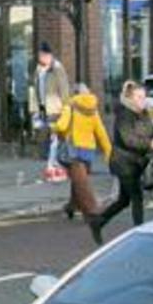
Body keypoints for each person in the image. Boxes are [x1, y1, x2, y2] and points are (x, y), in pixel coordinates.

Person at [96, 80, 153, 238]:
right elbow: (129, 140)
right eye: (139, 97)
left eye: (144, 97)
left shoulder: (144, 113)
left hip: (136, 163)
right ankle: (140, 232)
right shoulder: (124, 115)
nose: (143, 100)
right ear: (130, 98)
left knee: (124, 200)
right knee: (137, 196)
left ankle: (98, 221)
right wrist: (150, 144)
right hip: (123, 163)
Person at [53, 83, 112, 245]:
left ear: (74, 93)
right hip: (88, 151)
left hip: (73, 150)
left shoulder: (70, 107)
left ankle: (91, 212)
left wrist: (53, 126)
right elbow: (101, 132)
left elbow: (61, 125)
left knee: (81, 182)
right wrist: (108, 153)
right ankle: (71, 206)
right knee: (79, 180)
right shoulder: (93, 109)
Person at [32, 42, 71, 183]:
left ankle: (51, 165)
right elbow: (36, 89)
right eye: (39, 55)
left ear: (49, 55)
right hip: (42, 108)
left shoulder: (57, 69)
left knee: (55, 138)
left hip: (55, 108)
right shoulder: (38, 69)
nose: (40, 57)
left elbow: (64, 89)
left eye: (42, 55)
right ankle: (54, 164)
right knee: (46, 135)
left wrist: (66, 107)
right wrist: (35, 108)